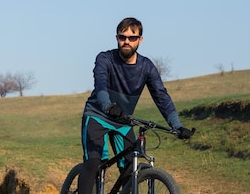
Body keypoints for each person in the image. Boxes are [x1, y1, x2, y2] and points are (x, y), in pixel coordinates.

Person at [77, 17, 193, 193]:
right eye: (122, 37)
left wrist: (177, 126)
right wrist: (108, 106)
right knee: (93, 162)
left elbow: (161, 96)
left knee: (132, 167)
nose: (126, 42)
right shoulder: (105, 59)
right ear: (117, 38)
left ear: (140, 40)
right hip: (98, 116)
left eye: (132, 38)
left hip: (123, 121)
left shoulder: (146, 67)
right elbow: (100, 86)